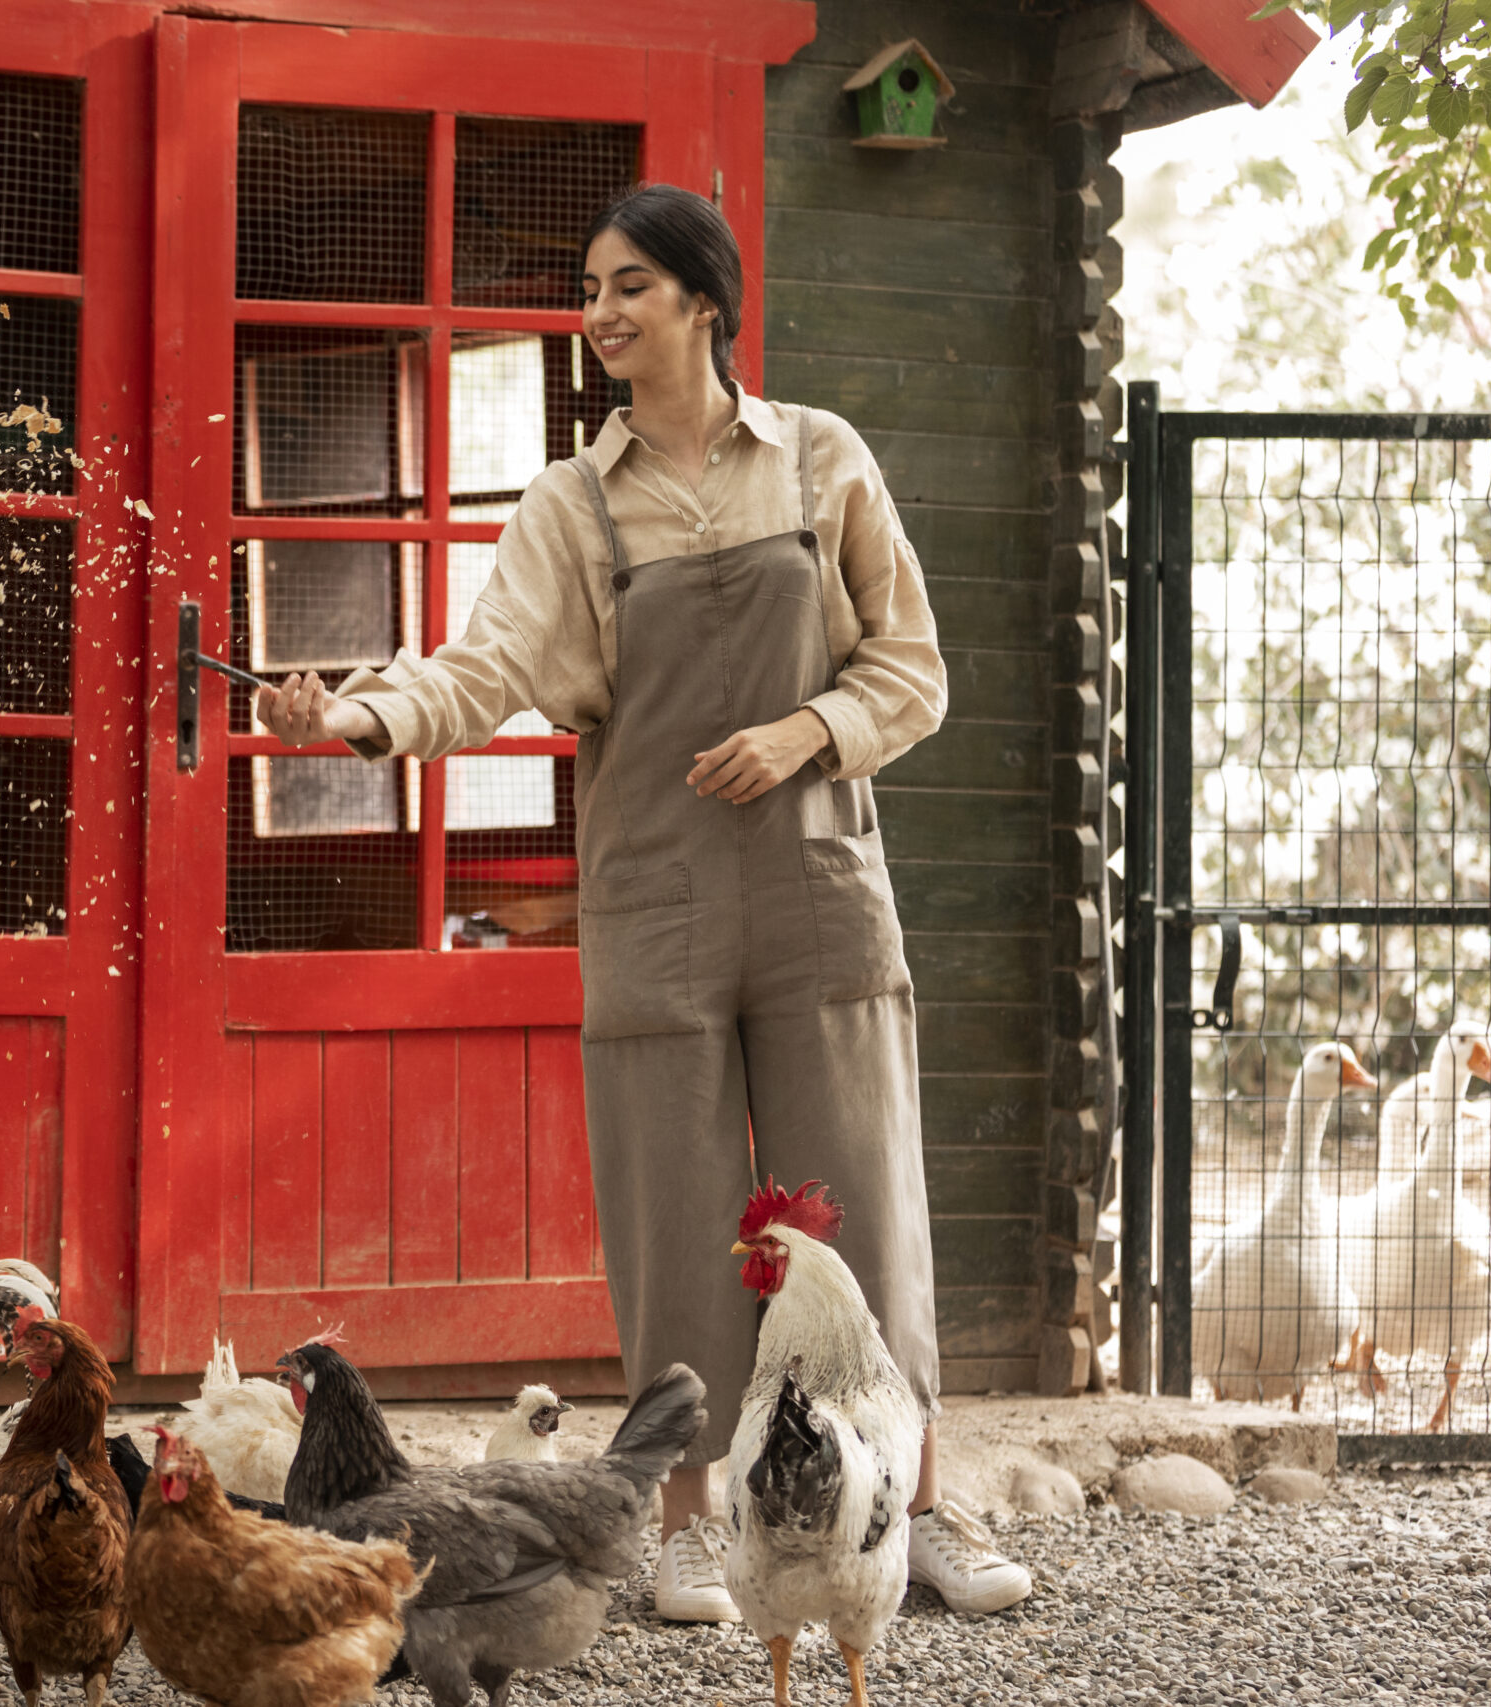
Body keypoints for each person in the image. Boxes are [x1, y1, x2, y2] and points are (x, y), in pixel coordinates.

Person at [253, 184, 1032, 1622]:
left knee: (861, 1210)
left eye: (628, 287)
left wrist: (804, 736)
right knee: (677, 1225)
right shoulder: (572, 504)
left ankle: (919, 1509)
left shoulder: (820, 463)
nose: (599, 314)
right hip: (655, 899)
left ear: (704, 301)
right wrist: (349, 719)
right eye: (592, 288)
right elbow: (479, 674)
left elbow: (913, 670)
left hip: (818, 887)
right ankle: (685, 1526)